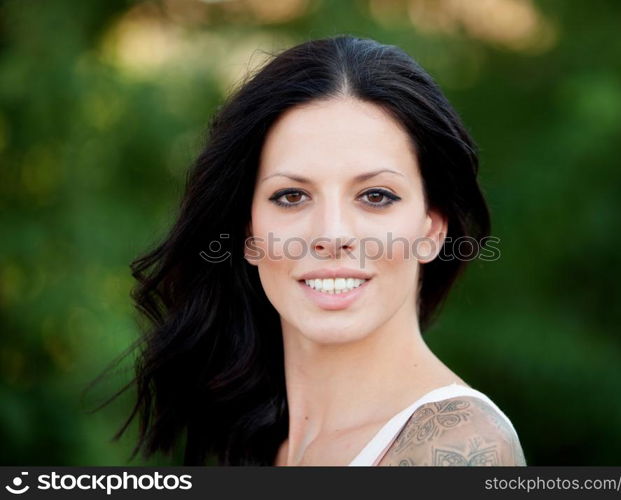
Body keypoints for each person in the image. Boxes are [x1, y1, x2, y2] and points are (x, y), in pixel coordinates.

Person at [111, 34, 526, 466]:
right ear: (248, 233)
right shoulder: (259, 441)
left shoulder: (458, 450)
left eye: (376, 196)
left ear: (432, 230)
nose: (331, 234)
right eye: (291, 196)